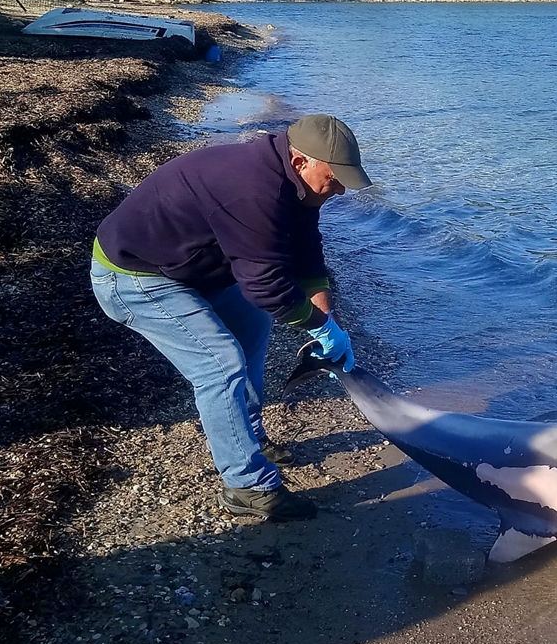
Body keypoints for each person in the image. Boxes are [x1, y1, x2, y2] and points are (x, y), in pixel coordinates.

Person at [90, 114, 372, 521]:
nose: (342, 190)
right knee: (220, 366)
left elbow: (306, 252)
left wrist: (330, 328)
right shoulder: (252, 191)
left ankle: (249, 436)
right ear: (300, 163)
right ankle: (247, 487)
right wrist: (319, 326)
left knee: (253, 329)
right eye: (335, 179)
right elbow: (269, 288)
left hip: (193, 269)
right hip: (134, 276)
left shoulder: (296, 186)